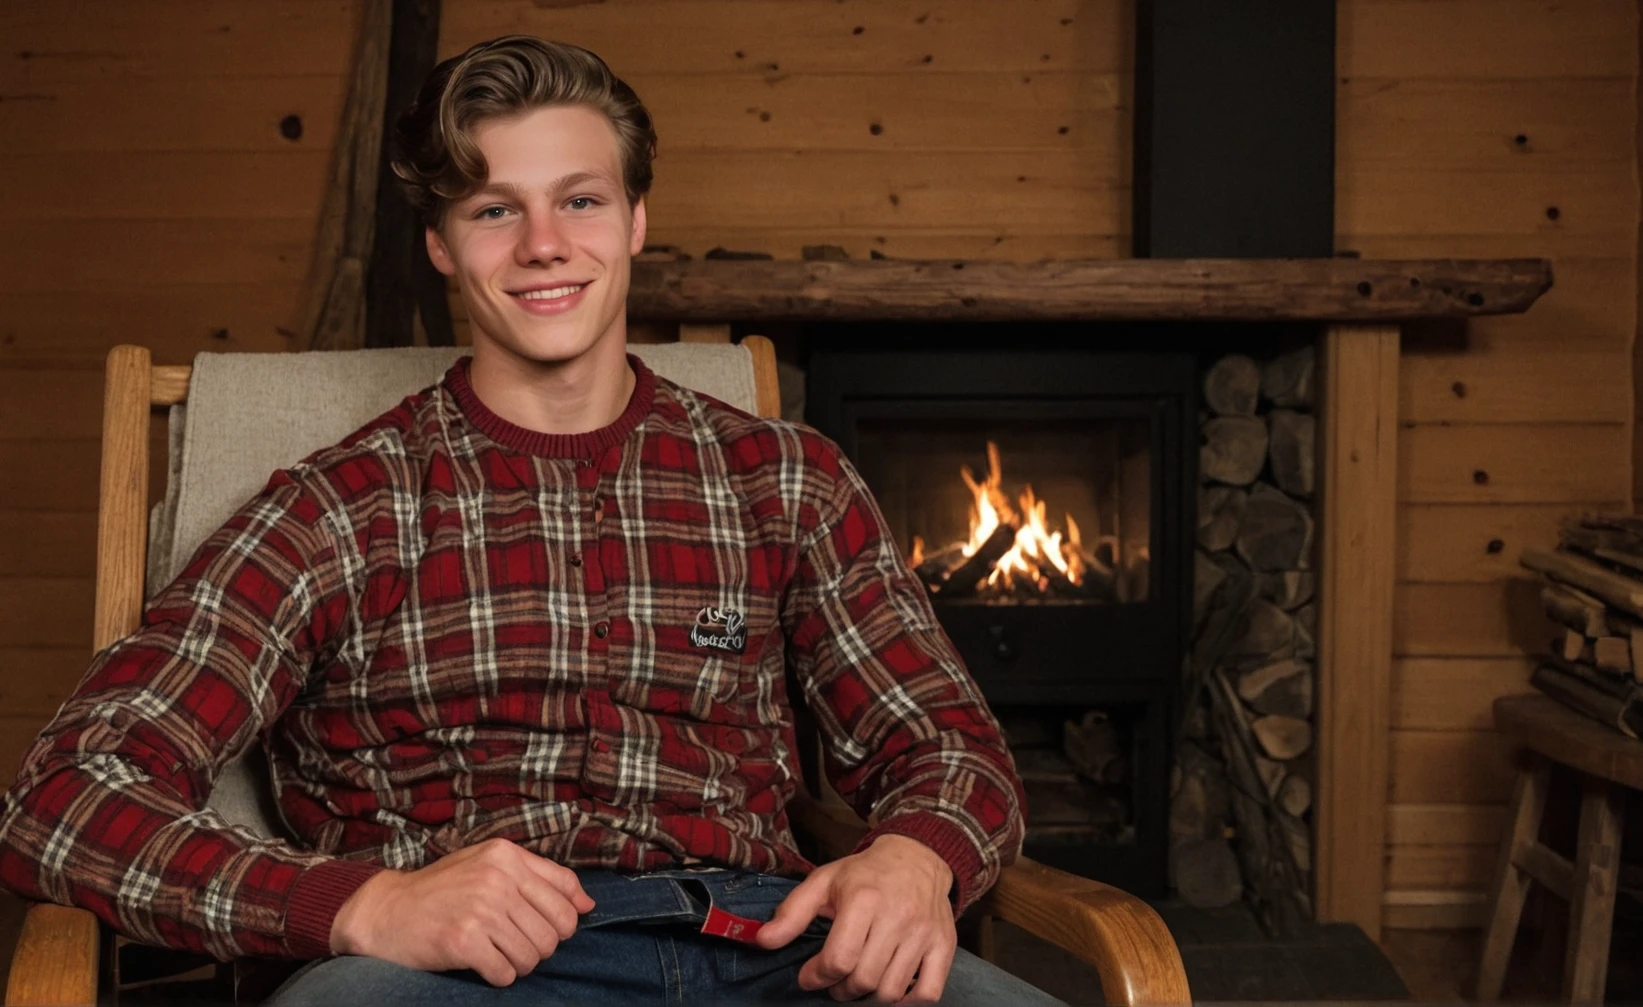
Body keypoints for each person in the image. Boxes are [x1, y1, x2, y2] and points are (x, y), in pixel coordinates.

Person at [0, 36, 1047, 1006]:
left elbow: (945, 742)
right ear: (443, 245)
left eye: (580, 200)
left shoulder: (786, 480)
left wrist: (915, 854)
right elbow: (64, 793)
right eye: (495, 209)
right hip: (452, 977)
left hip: (766, 948)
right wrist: (358, 903)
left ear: (635, 219)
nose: (545, 245)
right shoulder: (334, 508)